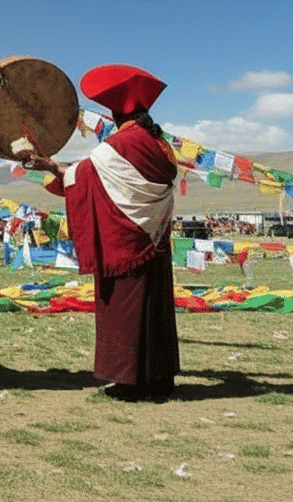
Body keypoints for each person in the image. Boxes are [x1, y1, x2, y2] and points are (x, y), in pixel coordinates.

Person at [26, 64, 180, 401]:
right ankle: (159, 378)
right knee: (154, 310)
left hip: (123, 244)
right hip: (156, 241)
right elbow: (98, 179)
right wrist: (55, 168)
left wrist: (49, 168)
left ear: (112, 113)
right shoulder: (161, 145)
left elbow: (83, 181)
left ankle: (128, 382)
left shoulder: (118, 146)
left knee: (124, 311)